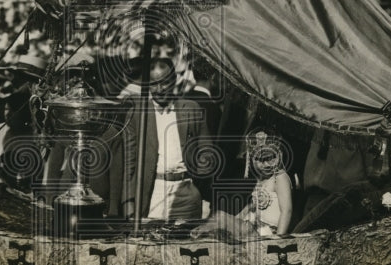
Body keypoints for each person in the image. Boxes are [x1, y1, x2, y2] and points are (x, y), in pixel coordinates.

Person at [117, 56, 216, 224]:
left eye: (164, 82)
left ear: (174, 80)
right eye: (153, 84)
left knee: (185, 246)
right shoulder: (136, 114)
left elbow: (207, 151)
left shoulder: (191, 108)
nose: (160, 89)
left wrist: (197, 185)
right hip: (152, 193)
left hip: (186, 193)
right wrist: (129, 202)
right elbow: (129, 164)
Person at [191, 129, 293, 240]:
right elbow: (251, 207)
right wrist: (236, 219)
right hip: (255, 227)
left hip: (269, 232)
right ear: (251, 160)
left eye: (271, 158)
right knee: (220, 226)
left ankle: (203, 231)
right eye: (260, 160)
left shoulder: (279, 178)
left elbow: (286, 211)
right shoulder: (260, 179)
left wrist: (278, 240)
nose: (266, 164)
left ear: (279, 155)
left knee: (221, 218)